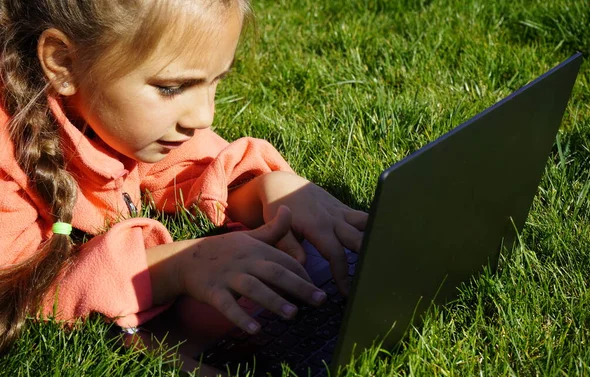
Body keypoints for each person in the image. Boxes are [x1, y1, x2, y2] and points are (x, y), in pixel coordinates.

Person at [0, 0, 368, 354]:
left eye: (216, 81)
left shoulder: (117, 117)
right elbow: (23, 289)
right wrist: (175, 266)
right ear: (63, 61)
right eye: (172, 88)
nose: (203, 117)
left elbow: (189, 166)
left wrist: (267, 189)